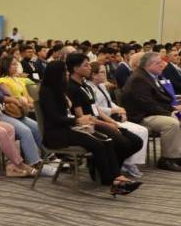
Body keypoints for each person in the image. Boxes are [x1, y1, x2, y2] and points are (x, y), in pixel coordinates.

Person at [40, 61, 141, 194]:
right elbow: (54, 118)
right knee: (98, 144)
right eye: (64, 72)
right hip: (56, 134)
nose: (67, 74)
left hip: (67, 128)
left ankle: (116, 178)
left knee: (107, 141)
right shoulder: (47, 92)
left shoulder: (59, 89)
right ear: (56, 74)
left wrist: (79, 120)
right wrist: (77, 120)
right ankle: (112, 180)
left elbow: (65, 114)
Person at [66, 53, 143, 179]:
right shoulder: (71, 88)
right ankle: (111, 174)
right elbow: (82, 117)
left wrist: (112, 122)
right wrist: (107, 124)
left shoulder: (85, 85)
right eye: (86, 65)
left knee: (136, 141)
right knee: (124, 143)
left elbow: (96, 109)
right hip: (89, 125)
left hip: (99, 120)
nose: (89, 68)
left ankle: (109, 168)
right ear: (75, 69)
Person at [0, 59, 43, 169]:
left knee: (36, 127)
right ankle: (35, 162)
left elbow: (5, 94)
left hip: (7, 112)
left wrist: (15, 99)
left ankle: (49, 156)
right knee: (25, 131)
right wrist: (14, 100)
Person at [86, 61, 148, 178]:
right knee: (136, 133)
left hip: (113, 116)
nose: (105, 74)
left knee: (143, 130)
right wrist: (113, 111)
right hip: (104, 119)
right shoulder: (89, 88)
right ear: (93, 75)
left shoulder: (101, 86)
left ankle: (129, 161)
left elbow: (110, 102)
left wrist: (120, 110)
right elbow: (96, 109)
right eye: (102, 72)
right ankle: (128, 163)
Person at [121, 52, 181, 171]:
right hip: (141, 116)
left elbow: (160, 100)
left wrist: (174, 109)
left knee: (179, 116)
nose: (162, 65)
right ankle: (167, 159)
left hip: (151, 112)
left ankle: (177, 154)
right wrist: (170, 113)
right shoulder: (139, 79)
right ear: (148, 65)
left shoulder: (149, 76)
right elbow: (147, 104)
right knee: (172, 123)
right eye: (158, 63)